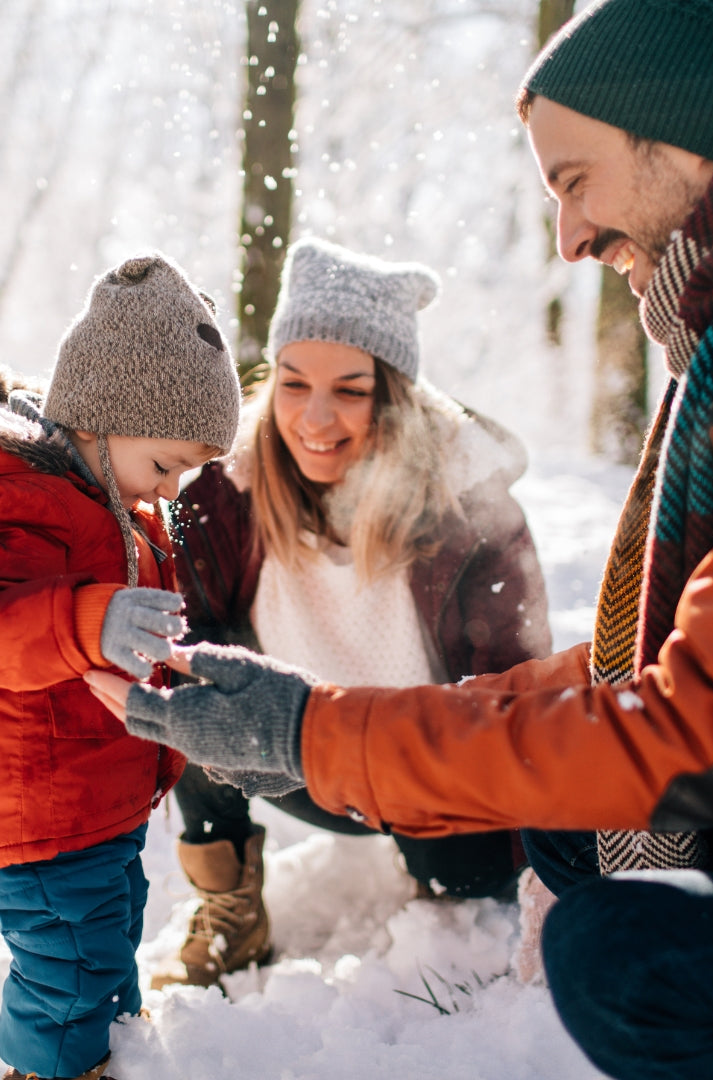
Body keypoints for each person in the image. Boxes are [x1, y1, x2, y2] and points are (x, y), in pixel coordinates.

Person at [85, 1, 713, 1076]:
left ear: (686, 135)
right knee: (573, 823)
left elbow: (706, 729)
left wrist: (321, 733)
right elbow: (681, 674)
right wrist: (312, 728)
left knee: (618, 956)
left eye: (574, 181)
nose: (570, 239)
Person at [0, 253, 241, 1080]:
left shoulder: (104, 498)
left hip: (80, 801)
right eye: (167, 464)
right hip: (26, 810)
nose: (172, 490)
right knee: (69, 965)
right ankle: (54, 1067)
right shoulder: (12, 502)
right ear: (106, 419)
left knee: (106, 929)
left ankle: (113, 1040)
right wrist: (85, 617)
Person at [149, 235, 553, 992]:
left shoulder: (471, 504)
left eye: (353, 389)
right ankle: (229, 903)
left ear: (395, 396)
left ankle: (445, 906)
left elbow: (517, 695)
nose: (316, 418)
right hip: (289, 752)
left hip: (430, 769)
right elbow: (181, 637)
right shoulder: (222, 491)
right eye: (294, 383)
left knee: (466, 883)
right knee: (195, 690)